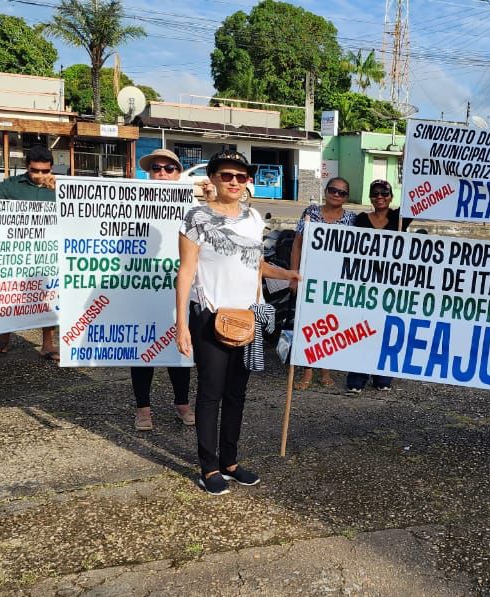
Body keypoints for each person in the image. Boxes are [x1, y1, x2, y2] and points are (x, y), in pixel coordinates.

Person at [175, 151, 299, 496]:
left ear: (247, 182)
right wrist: (181, 324)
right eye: (227, 175)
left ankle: (230, 461)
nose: (234, 181)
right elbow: (185, 272)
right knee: (211, 392)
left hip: (249, 317)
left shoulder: (253, 218)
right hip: (210, 316)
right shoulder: (195, 218)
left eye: (241, 177)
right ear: (212, 178)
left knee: (237, 394)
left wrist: (288, 273)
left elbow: (255, 263)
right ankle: (209, 466)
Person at [0, 146, 60, 362]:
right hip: (16, 252)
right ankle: (3, 337)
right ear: (28, 167)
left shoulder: (60, 187)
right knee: (10, 295)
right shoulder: (12, 185)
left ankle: (47, 345)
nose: (40, 176)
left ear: (51, 168)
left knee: (49, 297)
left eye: (45, 171)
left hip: (48, 252)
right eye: (36, 171)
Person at [131, 149, 195, 431]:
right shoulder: (131, 201)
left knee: (180, 348)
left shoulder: (193, 205)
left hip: (177, 287)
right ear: (149, 172)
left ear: (178, 174)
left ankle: (182, 402)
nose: (163, 173)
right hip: (141, 288)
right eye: (157, 168)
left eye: (170, 169)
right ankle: (143, 408)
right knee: (142, 350)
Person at [289, 176, 356, 390]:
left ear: (346, 197)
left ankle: (325, 370)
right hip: (309, 276)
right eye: (333, 190)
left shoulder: (352, 220)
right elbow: (297, 245)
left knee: (330, 324)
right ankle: (307, 371)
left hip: (335, 280)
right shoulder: (310, 213)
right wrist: (293, 274)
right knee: (307, 324)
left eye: (342, 192)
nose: (336, 195)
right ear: (326, 191)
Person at [344, 179, 408, 395]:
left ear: (391, 196)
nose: (380, 197)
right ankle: (357, 378)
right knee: (362, 329)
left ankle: (382, 377)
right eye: (375, 193)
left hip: (391, 284)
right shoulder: (360, 220)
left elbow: (419, 199)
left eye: (384, 193)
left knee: (386, 330)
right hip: (364, 282)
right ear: (370, 196)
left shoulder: (399, 218)